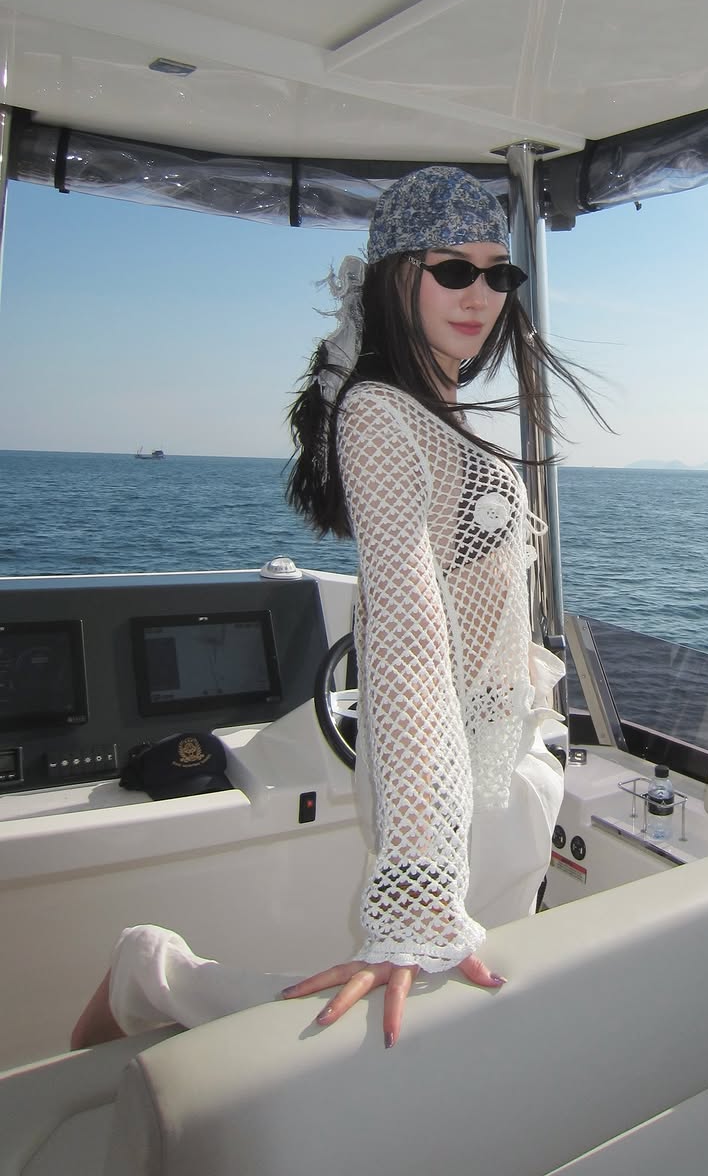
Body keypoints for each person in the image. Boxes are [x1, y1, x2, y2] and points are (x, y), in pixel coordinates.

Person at [71, 165, 603, 1052]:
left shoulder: (432, 407)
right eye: (453, 269)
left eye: (499, 273)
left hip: (503, 749)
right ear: (396, 276)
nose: (481, 295)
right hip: (457, 772)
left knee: (459, 1014)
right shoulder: (381, 417)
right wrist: (418, 889)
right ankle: (155, 977)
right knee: (429, 1019)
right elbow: (406, 638)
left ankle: (157, 980)